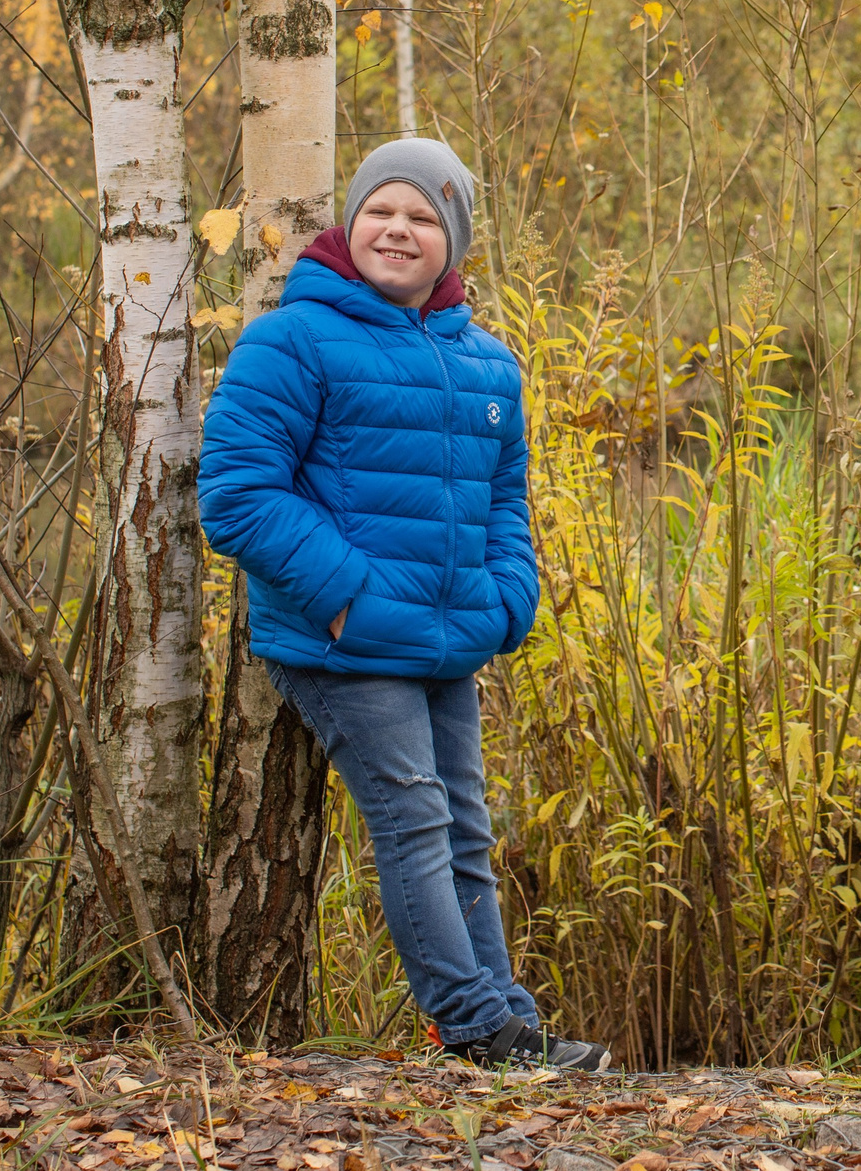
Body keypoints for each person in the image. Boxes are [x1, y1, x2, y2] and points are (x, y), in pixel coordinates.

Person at [198, 140, 609, 1072]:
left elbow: (506, 502)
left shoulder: (487, 364)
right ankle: (472, 1024)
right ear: (351, 221)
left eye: (424, 217)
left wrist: (509, 601)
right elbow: (235, 492)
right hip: (343, 644)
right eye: (383, 209)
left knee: (467, 824)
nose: (399, 228)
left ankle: (508, 1020)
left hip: (449, 642)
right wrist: (346, 598)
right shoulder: (292, 339)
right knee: (416, 817)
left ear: (452, 240)